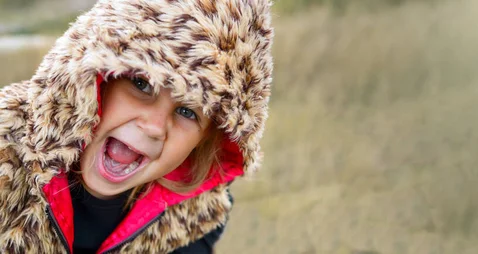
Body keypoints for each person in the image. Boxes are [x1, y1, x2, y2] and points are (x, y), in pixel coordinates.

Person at [0, 0, 273, 253]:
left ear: (204, 142)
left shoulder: (191, 223)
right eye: (141, 84)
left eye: (187, 111)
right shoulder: (6, 155)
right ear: (96, 78)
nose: (154, 126)